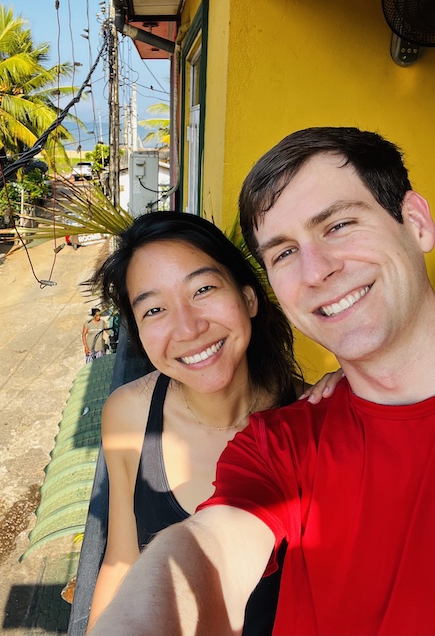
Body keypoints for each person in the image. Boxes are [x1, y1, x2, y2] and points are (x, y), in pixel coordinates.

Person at [88, 127, 435, 636]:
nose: (316, 270)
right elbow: (186, 553)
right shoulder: (282, 445)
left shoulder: (297, 408)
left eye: (338, 225)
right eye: (284, 252)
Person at [85, 211, 342, 632]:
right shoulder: (129, 413)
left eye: (203, 289)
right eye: (154, 310)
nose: (188, 328)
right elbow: (122, 558)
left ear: (249, 298)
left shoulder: (319, 422)